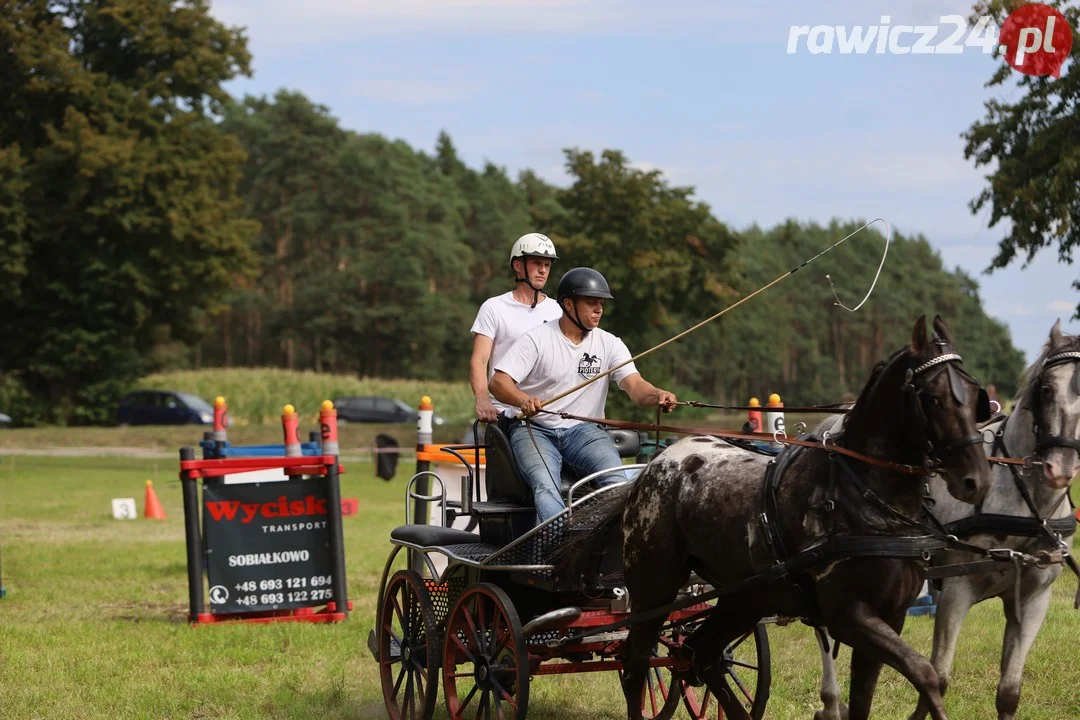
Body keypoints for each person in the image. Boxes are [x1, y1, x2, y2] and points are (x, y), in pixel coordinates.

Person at [489, 267, 677, 522]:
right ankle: (557, 551)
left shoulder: (610, 344)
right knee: (546, 486)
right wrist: (524, 400)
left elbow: (635, 387)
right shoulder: (536, 340)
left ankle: (607, 550)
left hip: (584, 431)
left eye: (601, 303)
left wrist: (657, 394)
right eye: (591, 303)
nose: (599, 309)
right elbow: (498, 383)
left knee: (617, 483)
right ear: (568, 304)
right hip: (534, 428)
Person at [469, 233, 562, 424]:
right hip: (506, 413)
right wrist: (482, 400)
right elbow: (479, 360)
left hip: (550, 415)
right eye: (536, 263)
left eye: (547, 265)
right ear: (517, 265)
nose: (543, 270)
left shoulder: (559, 310)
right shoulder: (494, 307)